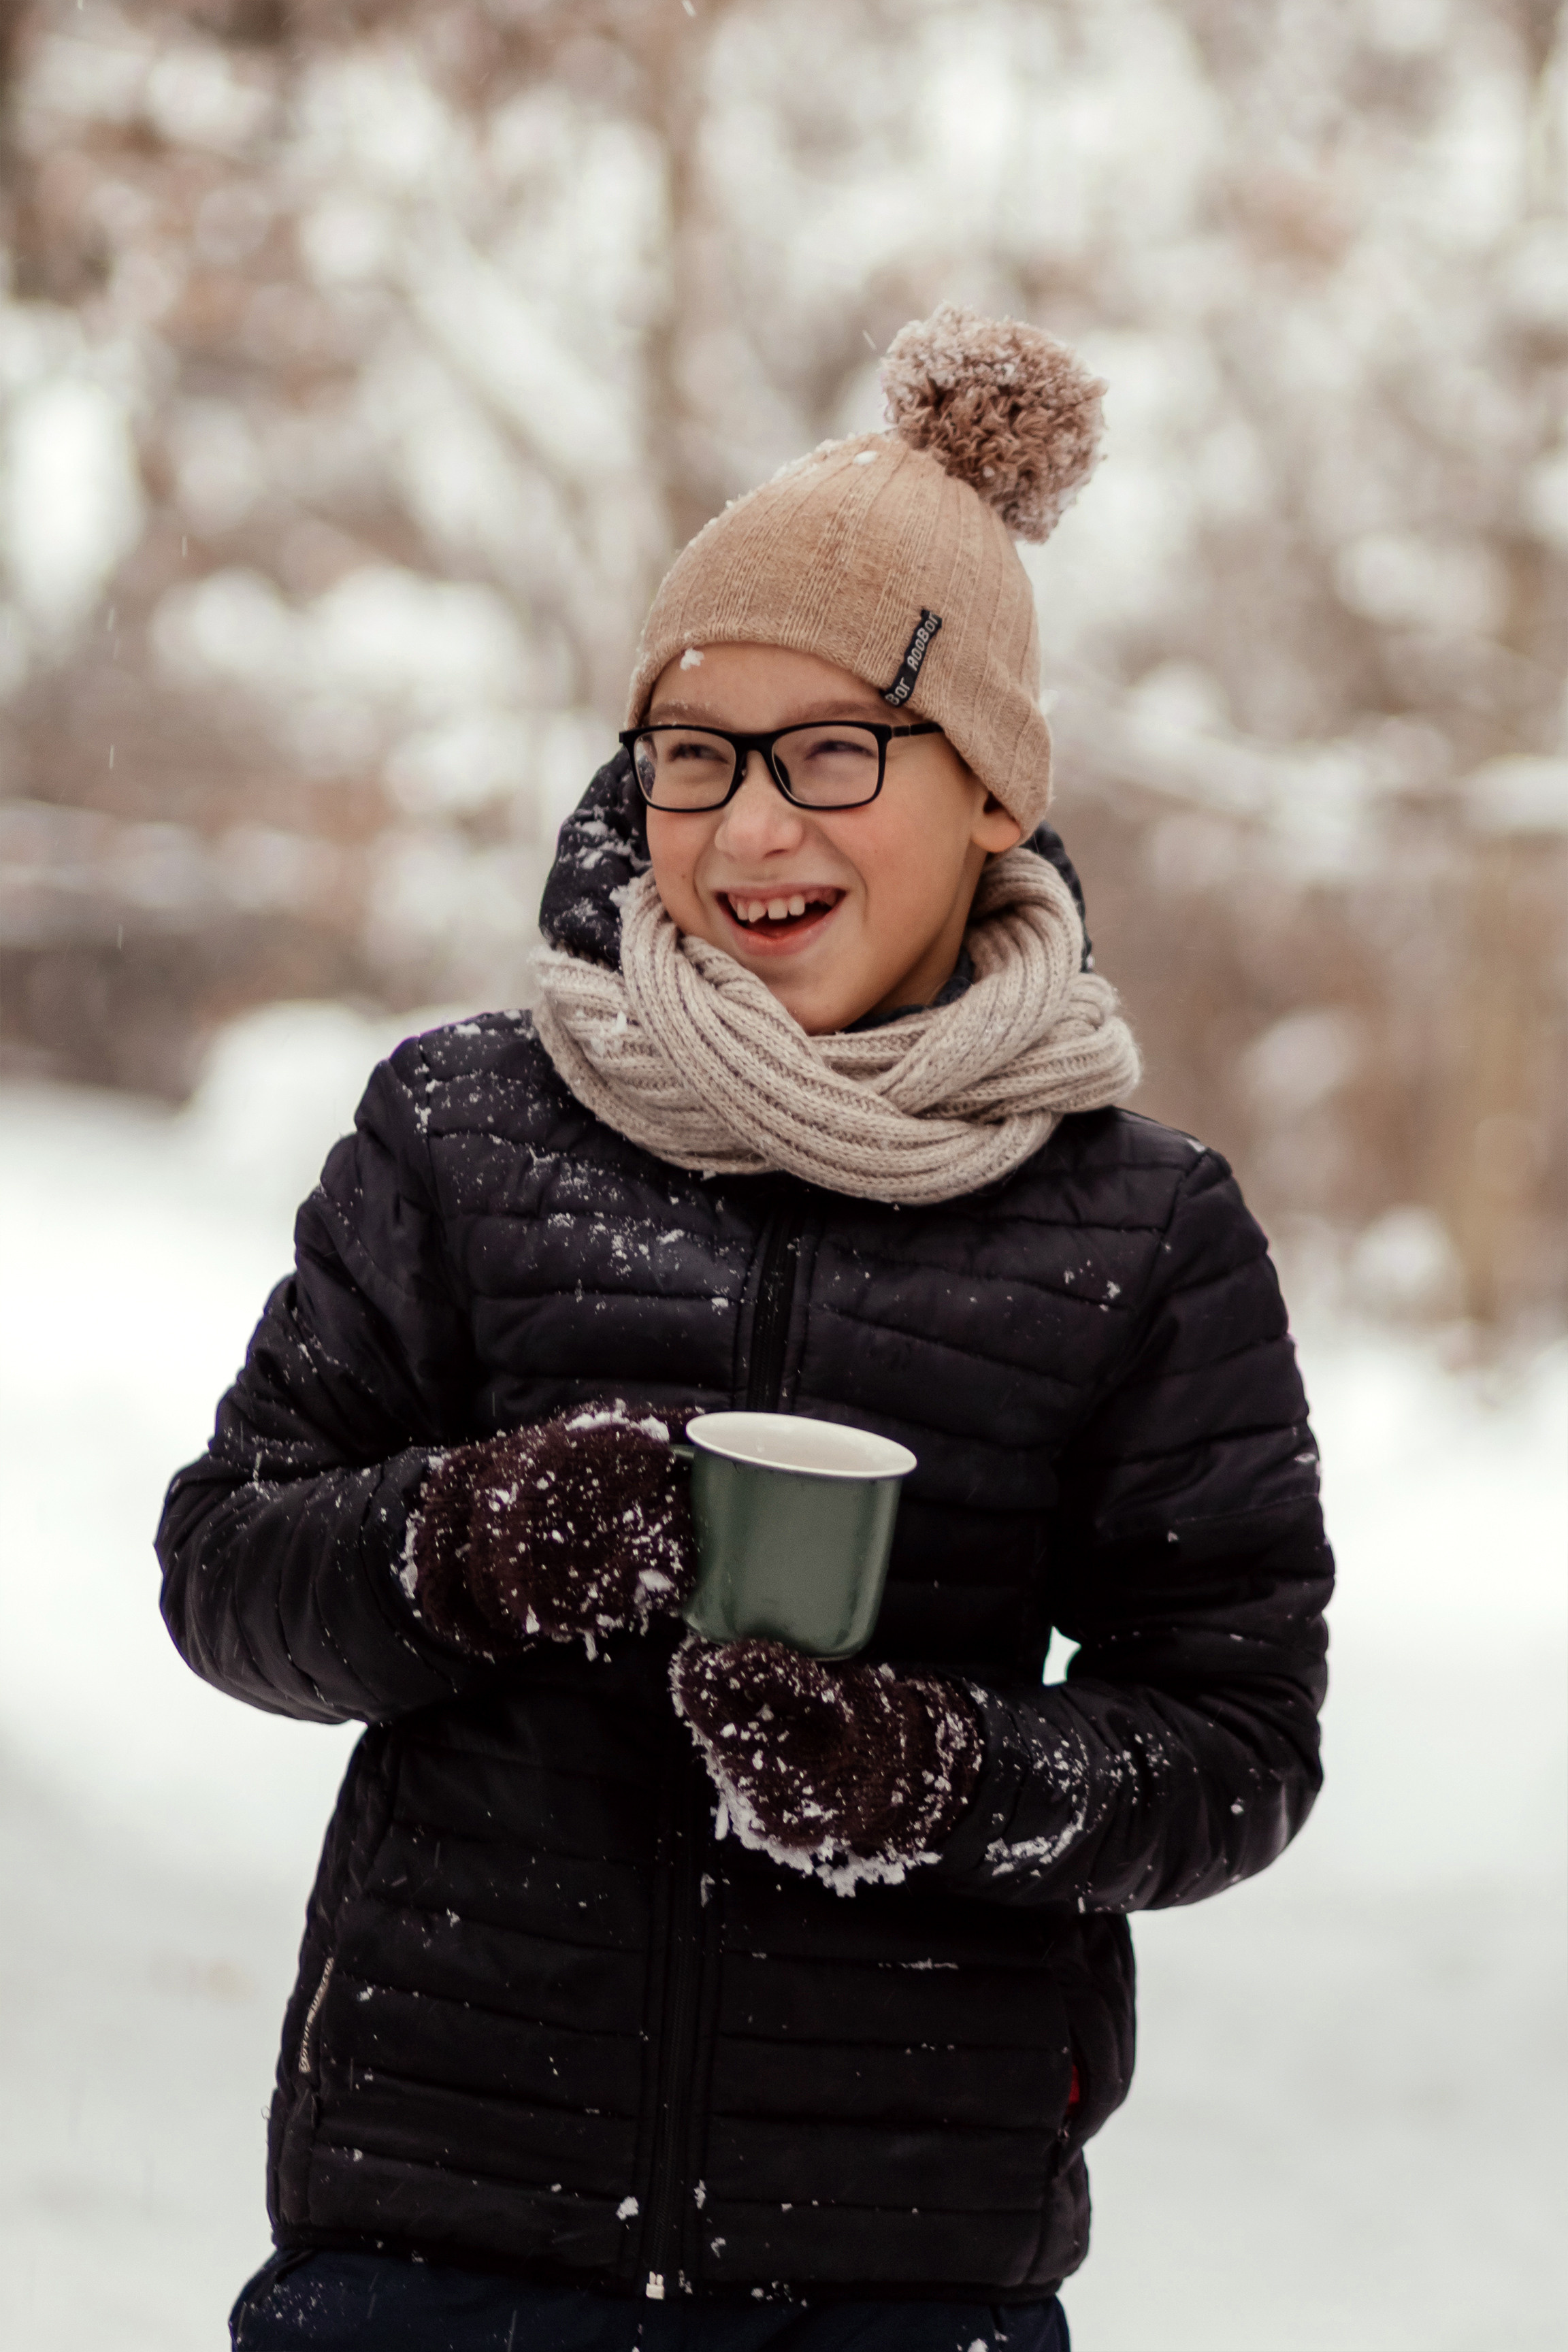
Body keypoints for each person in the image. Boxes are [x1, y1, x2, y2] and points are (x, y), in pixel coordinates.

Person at [159, 305, 1333, 2352]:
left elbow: (1233, 1743)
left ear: (988, 794)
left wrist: (943, 1780)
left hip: (896, 2267)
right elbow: (227, 1567)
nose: (750, 830)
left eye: (831, 755)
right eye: (694, 756)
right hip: (429, 2244)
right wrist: (457, 1542)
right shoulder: (463, 1126)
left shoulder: (1139, 1228)